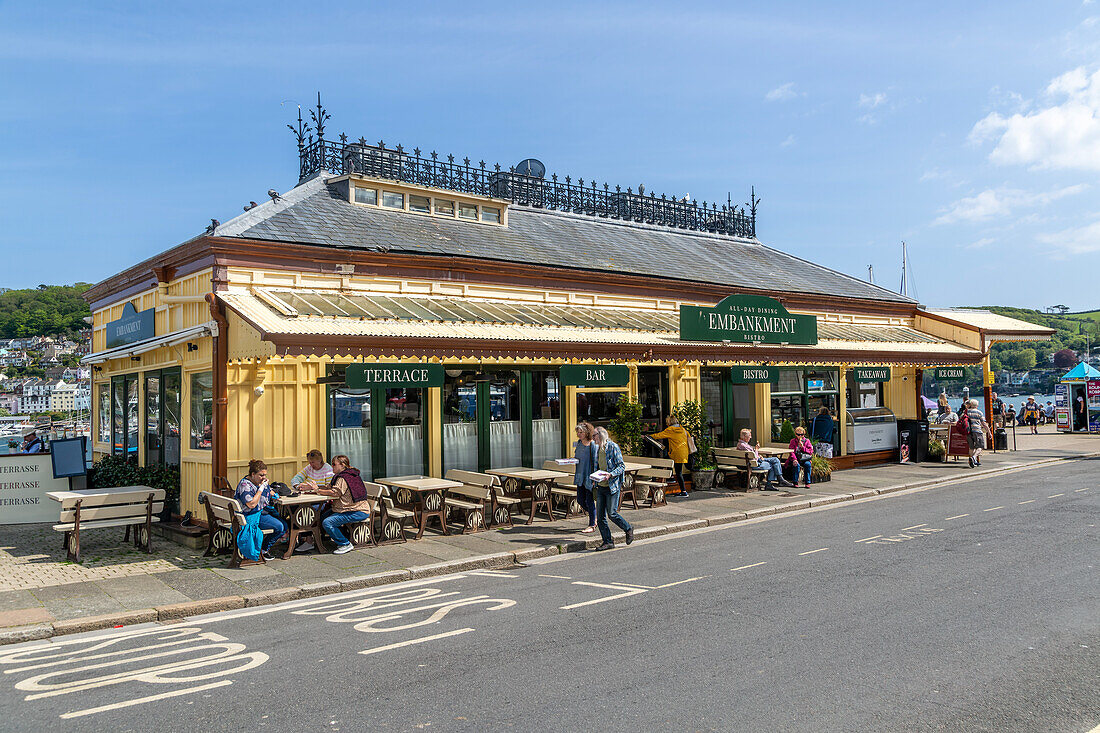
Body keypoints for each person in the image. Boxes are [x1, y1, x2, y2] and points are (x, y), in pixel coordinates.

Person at [308, 454, 371, 555]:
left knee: (327, 522)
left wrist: (318, 490)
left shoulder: (344, 478)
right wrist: (313, 488)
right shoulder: (344, 475)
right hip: (347, 508)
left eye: (334, 464)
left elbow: (335, 493)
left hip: (357, 511)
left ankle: (345, 544)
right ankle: (341, 536)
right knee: (321, 516)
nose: (332, 466)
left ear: (342, 465)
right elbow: (329, 487)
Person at [234, 459, 288, 560]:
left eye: (265, 475)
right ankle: (263, 550)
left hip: (261, 513)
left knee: (285, 525)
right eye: (261, 475)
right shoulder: (245, 485)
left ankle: (262, 549)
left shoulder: (260, 482)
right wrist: (261, 488)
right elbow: (251, 504)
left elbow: (269, 490)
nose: (264, 478)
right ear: (253, 474)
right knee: (280, 527)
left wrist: (275, 495)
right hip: (249, 515)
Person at [591, 427, 633, 551]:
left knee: (612, 513)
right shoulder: (597, 449)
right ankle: (607, 541)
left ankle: (628, 529)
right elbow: (597, 466)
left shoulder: (613, 447)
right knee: (600, 516)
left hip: (612, 486)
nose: (593, 438)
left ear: (601, 435)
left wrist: (611, 474)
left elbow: (621, 466)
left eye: (594, 435)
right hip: (601, 486)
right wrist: (595, 477)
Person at [289, 449, 335, 552]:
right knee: (294, 510)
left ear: (320, 460)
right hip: (309, 499)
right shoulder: (309, 468)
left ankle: (309, 540)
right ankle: (302, 537)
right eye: (309, 462)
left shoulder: (327, 469)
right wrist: (298, 485)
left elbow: (329, 487)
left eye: (313, 462)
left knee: (306, 512)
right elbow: (295, 479)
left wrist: (313, 488)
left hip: (324, 501)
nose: (311, 464)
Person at [649, 415, 690, 497]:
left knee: (677, 471)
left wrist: (648, 436)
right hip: (684, 453)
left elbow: (659, 435)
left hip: (676, 453)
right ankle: (671, 477)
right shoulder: (683, 429)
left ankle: (683, 491)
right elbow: (688, 437)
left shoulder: (671, 430)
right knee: (673, 467)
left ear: (669, 422)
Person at [572, 422, 598, 534]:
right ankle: (595, 516)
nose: (578, 434)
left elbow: (596, 463)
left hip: (589, 476)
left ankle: (592, 524)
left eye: (581, 432)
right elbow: (577, 457)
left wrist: (594, 479)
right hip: (580, 475)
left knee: (589, 500)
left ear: (587, 432)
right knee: (580, 500)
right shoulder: (579, 443)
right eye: (577, 432)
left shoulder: (593, 445)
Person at [964, 399, 992, 468]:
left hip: (969, 432)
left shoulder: (966, 412)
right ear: (976, 405)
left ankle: (973, 461)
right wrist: (989, 432)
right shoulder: (979, 412)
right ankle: (974, 457)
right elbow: (984, 423)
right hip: (977, 431)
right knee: (980, 447)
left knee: (971, 447)